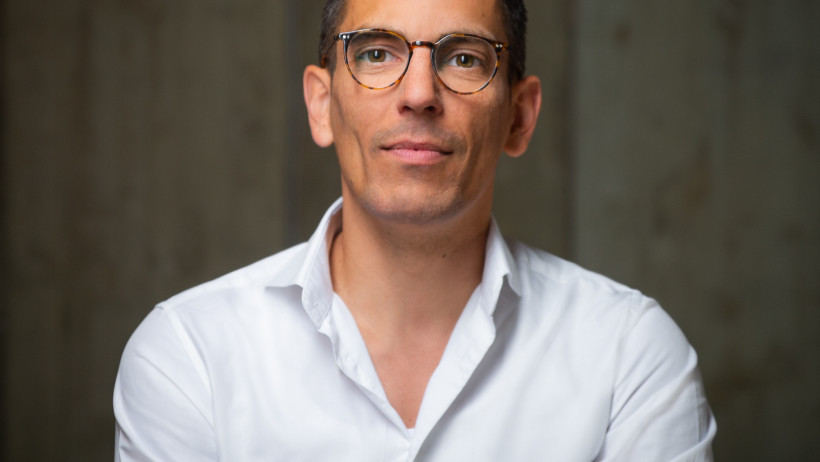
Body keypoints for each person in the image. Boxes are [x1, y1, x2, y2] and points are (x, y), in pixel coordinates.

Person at [113, 0, 716, 460]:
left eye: (464, 58)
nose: (420, 94)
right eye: (376, 53)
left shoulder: (631, 357)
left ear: (519, 116)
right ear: (321, 105)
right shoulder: (189, 356)